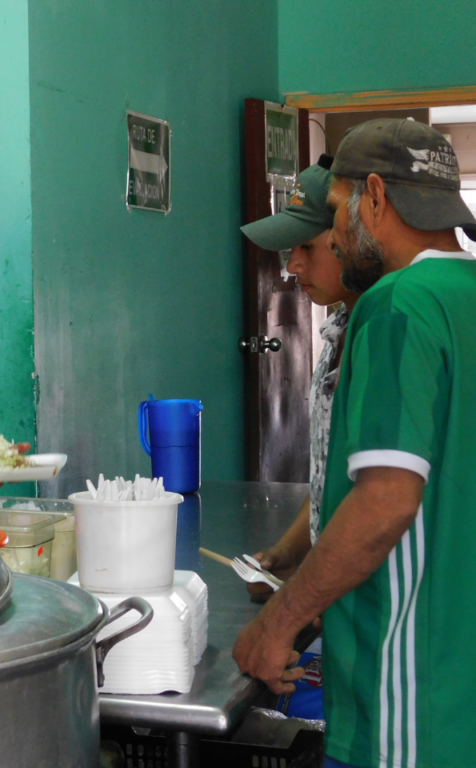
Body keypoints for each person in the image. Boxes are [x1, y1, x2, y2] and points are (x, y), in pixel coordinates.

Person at [233, 118, 476, 768]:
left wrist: (280, 620)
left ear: (374, 197)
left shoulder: (399, 305)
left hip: (406, 696)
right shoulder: (466, 296)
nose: (336, 235)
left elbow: (386, 502)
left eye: (338, 211)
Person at [240, 158, 360, 592]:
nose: (292, 265)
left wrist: (299, 605)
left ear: (353, 234)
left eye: (306, 247)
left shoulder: (386, 338)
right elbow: (335, 478)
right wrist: (289, 553)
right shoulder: (337, 332)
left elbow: (381, 497)